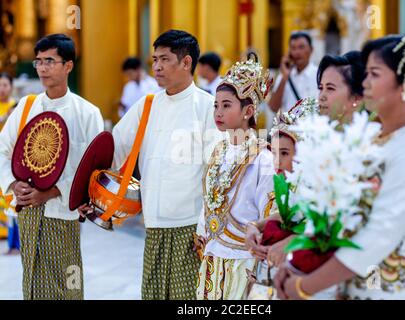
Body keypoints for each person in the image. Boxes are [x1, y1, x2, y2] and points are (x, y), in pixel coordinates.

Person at [274, 29, 405, 300]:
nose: (364, 82)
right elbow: (337, 218)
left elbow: (378, 237)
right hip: (349, 286)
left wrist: (305, 286)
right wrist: (296, 262)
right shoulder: (373, 143)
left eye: (374, 74)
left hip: (388, 291)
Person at [112, 30, 219, 300]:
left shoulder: (207, 107)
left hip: (190, 229)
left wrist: (205, 227)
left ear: (186, 63)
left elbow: (215, 171)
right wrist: (92, 187)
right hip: (154, 224)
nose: (157, 66)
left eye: (164, 59)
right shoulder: (147, 105)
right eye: (154, 59)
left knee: (189, 301)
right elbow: (115, 146)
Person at [0, 34, 104, 300]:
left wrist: (50, 192)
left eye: (50, 61)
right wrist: (14, 183)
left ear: (68, 65)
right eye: (38, 62)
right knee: (32, 284)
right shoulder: (26, 106)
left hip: (63, 217)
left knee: (68, 285)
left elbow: (93, 170)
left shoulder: (87, 113)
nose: (43, 68)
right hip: (28, 212)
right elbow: (2, 150)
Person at [246, 51, 366, 269]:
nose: (321, 96)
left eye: (330, 89)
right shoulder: (320, 146)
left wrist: (292, 241)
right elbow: (298, 207)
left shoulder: (364, 151)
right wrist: (257, 225)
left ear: (356, 98)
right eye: (320, 87)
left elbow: (348, 222)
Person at [195, 53, 274, 300]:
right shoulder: (218, 150)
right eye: (216, 105)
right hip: (213, 258)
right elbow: (209, 200)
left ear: (248, 111)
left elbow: (269, 215)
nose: (218, 112)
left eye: (226, 105)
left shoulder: (263, 158)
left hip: (245, 262)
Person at [268, 31, 319, 114]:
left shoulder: (319, 75)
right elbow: (273, 107)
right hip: (288, 126)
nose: (297, 52)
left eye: (301, 47)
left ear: (311, 49)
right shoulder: (284, 76)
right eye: (293, 48)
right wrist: (285, 77)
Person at [0, 72, 19, 254]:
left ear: (11, 86)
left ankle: (13, 240)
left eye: (5, 85)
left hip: (10, 159)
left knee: (10, 199)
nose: (2, 89)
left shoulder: (17, 106)